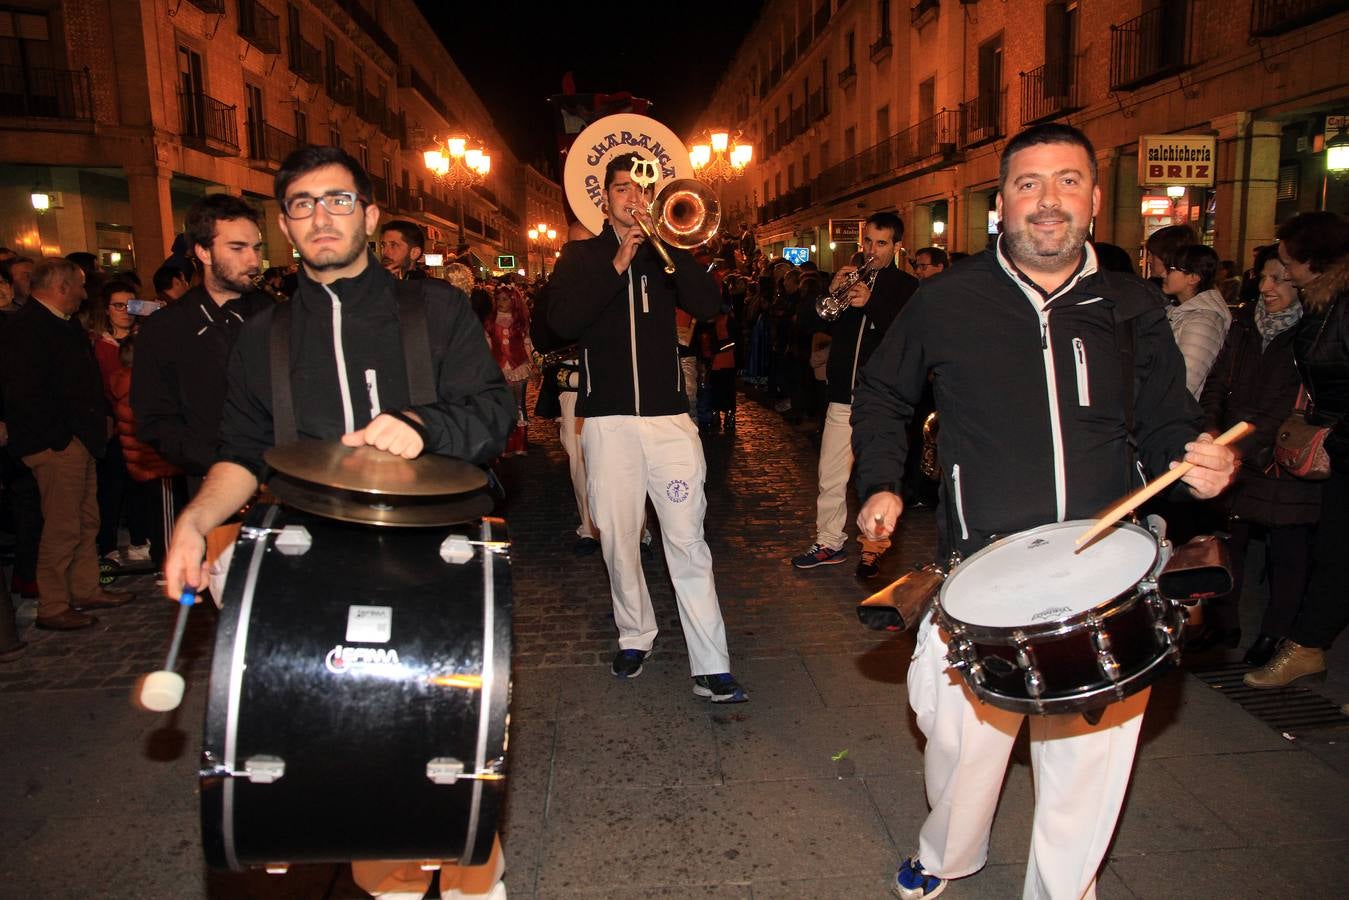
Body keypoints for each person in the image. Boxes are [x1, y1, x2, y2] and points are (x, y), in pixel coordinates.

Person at [851, 123, 1236, 900]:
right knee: (959, 744)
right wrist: (879, 483)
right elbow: (883, 394)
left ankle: (1063, 888)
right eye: (1028, 184)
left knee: (1090, 758)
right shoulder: (946, 299)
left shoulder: (1129, 304)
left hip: (1105, 564)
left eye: (1066, 181)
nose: (1047, 201)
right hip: (979, 563)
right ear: (1001, 204)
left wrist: (1200, 459)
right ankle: (948, 853)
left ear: (1093, 199)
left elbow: (1165, 416)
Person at [161, 145, 514, 900]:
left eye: (339, 200)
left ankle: (470, 881)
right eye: (303, 205)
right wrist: (195, 520)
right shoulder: (263, 336)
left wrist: (423, 426)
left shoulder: (436, 310)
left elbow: (493, 410)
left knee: (444, 757)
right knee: (348, 757)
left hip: (433, 563)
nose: (322, 217)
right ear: (287, 226)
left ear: (370, 214)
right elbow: (242, 454)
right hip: (311, 570)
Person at [546, 151, 747, 703]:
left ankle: (711, 663)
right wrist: (617, 263)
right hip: (607, 422)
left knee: (687, 538)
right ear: (603, 199)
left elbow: (708, 304)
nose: (633, 199)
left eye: (641, 190)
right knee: (617, 540)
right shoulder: (580, 256)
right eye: (621, 190)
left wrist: (669, 250)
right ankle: (635, 633)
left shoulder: (670, 255)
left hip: (668, 421)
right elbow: (557, 324)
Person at [1197, 244, 1320, 663]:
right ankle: (1223, 623)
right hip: (1231, 448)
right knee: (1228, 543)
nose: (1266, 287)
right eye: (1263, 278)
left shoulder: (1311, 330)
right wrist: (1210, 429)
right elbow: (1216, 379)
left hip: (1280, 455)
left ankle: (1276, 634)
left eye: (1279, 279)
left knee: (1288, 549)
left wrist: (1238, 444)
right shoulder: (1244, 322)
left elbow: (1293, 402)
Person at [1245, 211, 1349, 688]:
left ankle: (1305, 646)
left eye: (1287, 260)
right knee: (1333, 552)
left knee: (1334, 553)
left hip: (1343, 440)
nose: (1282, 271)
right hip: (1340, 444)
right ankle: (1307, 647)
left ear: (1312, 260)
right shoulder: (1323, 302)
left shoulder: (1340, 304)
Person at [1, 258, 132, 631]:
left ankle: (86, 587)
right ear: (60, 287)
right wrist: (61, 440)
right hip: (57, 444)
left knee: (86, 519)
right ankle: (53, 604)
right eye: (79, 286)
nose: (84, 294)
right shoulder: (26, 328)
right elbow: (25, 394)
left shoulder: (63, 324)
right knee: (61, 525)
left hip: (79, 439)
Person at [791, 213, 919, 580]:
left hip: (882, 403)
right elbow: (809, 321)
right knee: (830, 477)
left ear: (896, 247)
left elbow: (909, 334)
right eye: (868, 242)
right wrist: (831, 293)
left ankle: (873, 547)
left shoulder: (907, 288)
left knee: (877, 478)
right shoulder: (848, 279)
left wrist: (872, 305)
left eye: (881, 244)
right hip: (842, 397)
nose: (872, 250)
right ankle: (829, 541)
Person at [132, 194, 274, 495]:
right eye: (237, 248)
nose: (252, 260)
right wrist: (215, 462)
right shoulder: (165, 329)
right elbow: (154, 420)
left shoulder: (277, 317)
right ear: (203, 252)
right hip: (209, 487)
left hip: (282, 483)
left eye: (256, 248)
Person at [88, 280, 152, 566]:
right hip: (111, 425)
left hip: (142, 425)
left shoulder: (148, 337)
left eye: (131, 304)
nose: (125, 311)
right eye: (118, 305)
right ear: (106, 308)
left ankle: (141, 539)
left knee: (141, 486)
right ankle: (107, 545)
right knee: (111, 489)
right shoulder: (96, 343)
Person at [1163, 243, 1232, 399]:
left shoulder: (1203, 322)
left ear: (1193, 277)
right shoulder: (1180, 312)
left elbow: (1185, 384)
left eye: (1172, 269)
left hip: (1176, 416)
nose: (1164, 274)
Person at [486, 283, 535, 455]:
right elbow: (488, 345)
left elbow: (527, 344)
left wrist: (533, 366)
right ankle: (505, 444)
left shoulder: (520, 322)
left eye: (505, 299)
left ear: (513, 300)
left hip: (518, 366)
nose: (501, 302)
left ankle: (520, 444)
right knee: (501, 405)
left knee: (519, 404)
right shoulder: (491, 322)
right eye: (498, 299)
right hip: (499, 368)